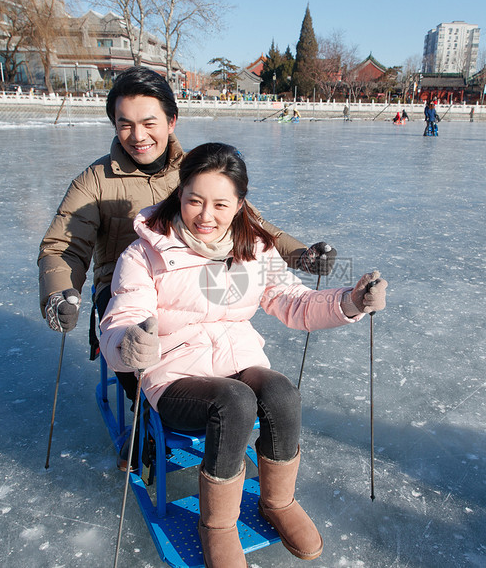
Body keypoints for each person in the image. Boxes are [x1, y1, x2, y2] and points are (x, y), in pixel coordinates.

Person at [99, 143, 388, 566]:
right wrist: (130, 342)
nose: (205, 215)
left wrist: (351, 301)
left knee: (280, 393)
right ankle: (217, 524)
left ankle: (278, 501)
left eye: (220, 203)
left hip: (238, 360)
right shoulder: (145, 254)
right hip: (174, 375)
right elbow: (123, 317)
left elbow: (293, 301)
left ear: (239, 204)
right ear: (180, 194)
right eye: (194, 200)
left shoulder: (254, 249)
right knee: (234, 403)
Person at [38, 67, 336, 467]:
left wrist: (300, 254)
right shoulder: (95, 182)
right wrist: (59, 290)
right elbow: (64, 245)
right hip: (126, 282)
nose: (138, 136)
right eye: (125, 124)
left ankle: (220, 393)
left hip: (196, 272)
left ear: (171, 121)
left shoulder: (195, 168)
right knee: (137, 331)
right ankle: (146, 414)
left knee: (217, 314)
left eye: (149, 123)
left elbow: (251, 223)